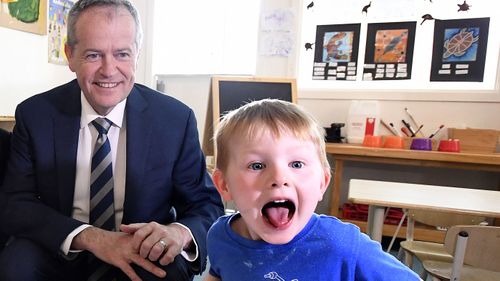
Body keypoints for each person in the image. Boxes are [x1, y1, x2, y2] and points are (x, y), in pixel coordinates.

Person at [0, 0, 224, 280]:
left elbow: (205, 205)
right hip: (63, 246)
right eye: (94, 55)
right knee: (16, 263)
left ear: (137, 55)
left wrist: (178, 233)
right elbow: (15, 203)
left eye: (122, 54)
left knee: (167, 271)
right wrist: (92, 238)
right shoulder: (36, 115)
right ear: (70, 54)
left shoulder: (175, 120)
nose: (109, 70)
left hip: (141, 252)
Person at [204, 99, 420, 281]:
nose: (279, 178)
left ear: (322, 183)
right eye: (257, 166)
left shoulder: (341, 244)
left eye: (296, 164)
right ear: (224, 185)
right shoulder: (220, 236)